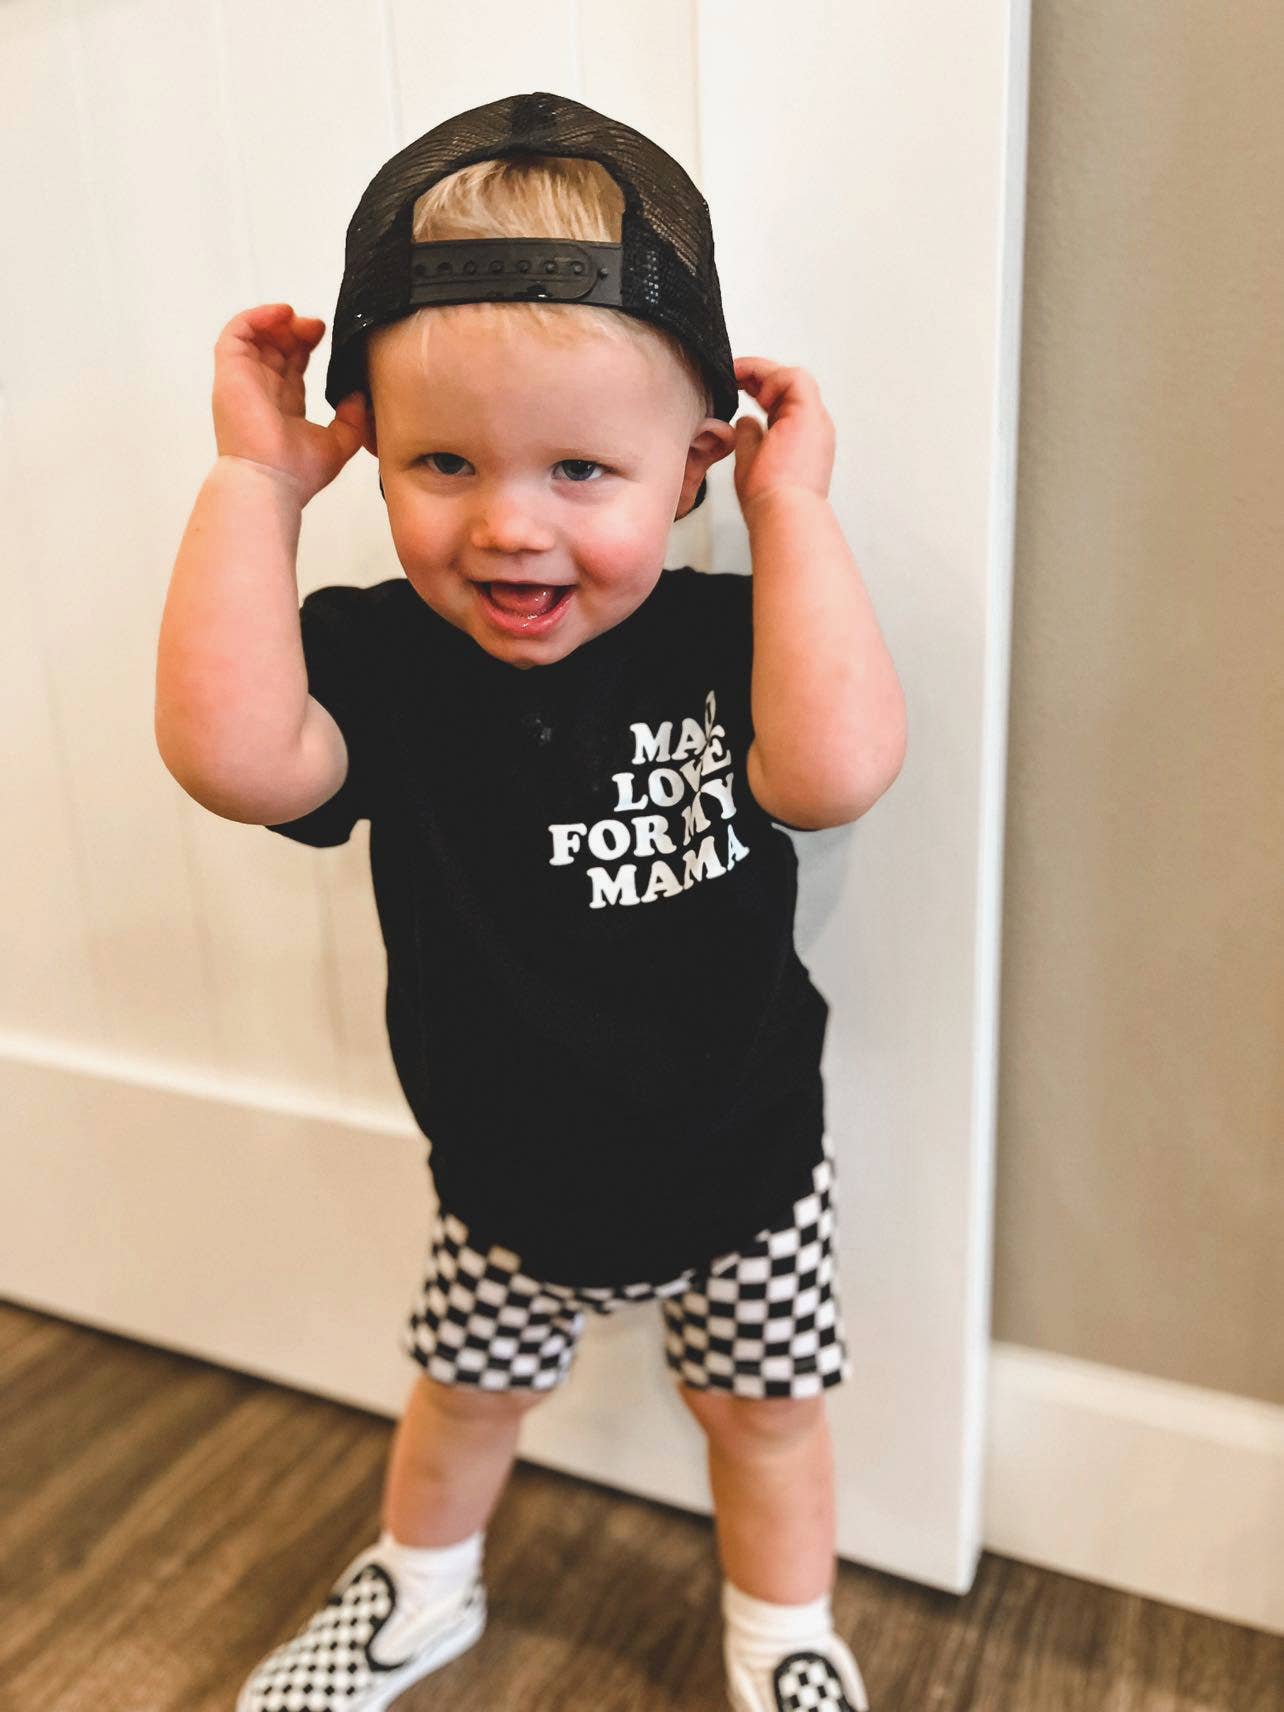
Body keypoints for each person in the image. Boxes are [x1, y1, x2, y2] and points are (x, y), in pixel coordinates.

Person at [155, 90, 905, 1712]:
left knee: (766, 1419)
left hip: (746, 1166)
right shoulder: (382, 662)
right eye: (440, 461)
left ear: (697, 463)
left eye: (582, 466)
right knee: (462, 1400)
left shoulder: (732, 642)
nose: (508, 522)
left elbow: (837, 773)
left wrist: (796, 510)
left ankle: (784, 1638)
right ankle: (421, 1595)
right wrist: (251, 488)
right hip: (502, 1176)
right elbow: (236, 759)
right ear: (371, 450)